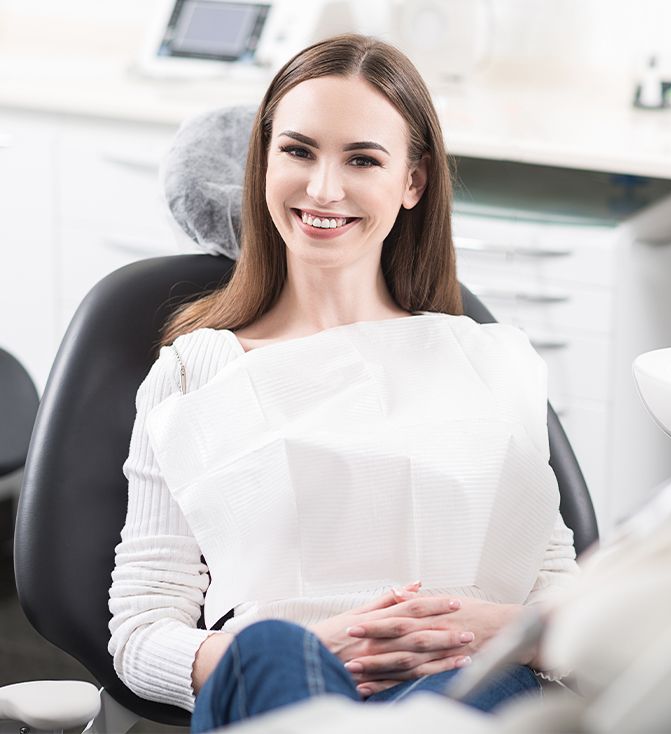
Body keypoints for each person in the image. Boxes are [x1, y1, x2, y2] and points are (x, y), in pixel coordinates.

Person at [108, 33, 578, 732]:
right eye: (298, 150)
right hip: (278, 682)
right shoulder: (194, 372)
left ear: (412, 182)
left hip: (462, 679)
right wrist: (308, 649)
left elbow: (568, 603)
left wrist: (485, 628)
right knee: (269, 650)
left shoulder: (492, 362)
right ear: (263, 160)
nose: (323, 188)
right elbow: (140, 632)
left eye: (362, 159)